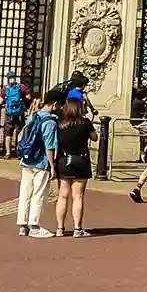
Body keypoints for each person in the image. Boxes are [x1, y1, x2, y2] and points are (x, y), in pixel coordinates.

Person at [14, 88, 62, 237]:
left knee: (25, 192)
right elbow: (50, 145)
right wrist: (52, 165)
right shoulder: (50, 121)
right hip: (41, 161)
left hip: (27, 159)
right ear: (54, 104)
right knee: (39, 193)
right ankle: (34, 225)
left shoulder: (33, 116)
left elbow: (22, 135)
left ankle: (23, 225)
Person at [52, 90, 95, 236]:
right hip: (80, 160)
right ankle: (77, 228)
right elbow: (94, 137)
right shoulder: (85, 123)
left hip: (64, 160)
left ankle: (60, 228)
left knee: (62, 195)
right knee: (78, 196)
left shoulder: (60, 123)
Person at [2, 72, 31, 158]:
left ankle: (8, 153)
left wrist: (5, 103)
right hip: (19, 113)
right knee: (20, 132)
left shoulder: (5, 88)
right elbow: (28, 97)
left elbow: (1, 99)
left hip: (9, 113)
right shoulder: (21, 86)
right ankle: (19, 152)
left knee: (8, 133)